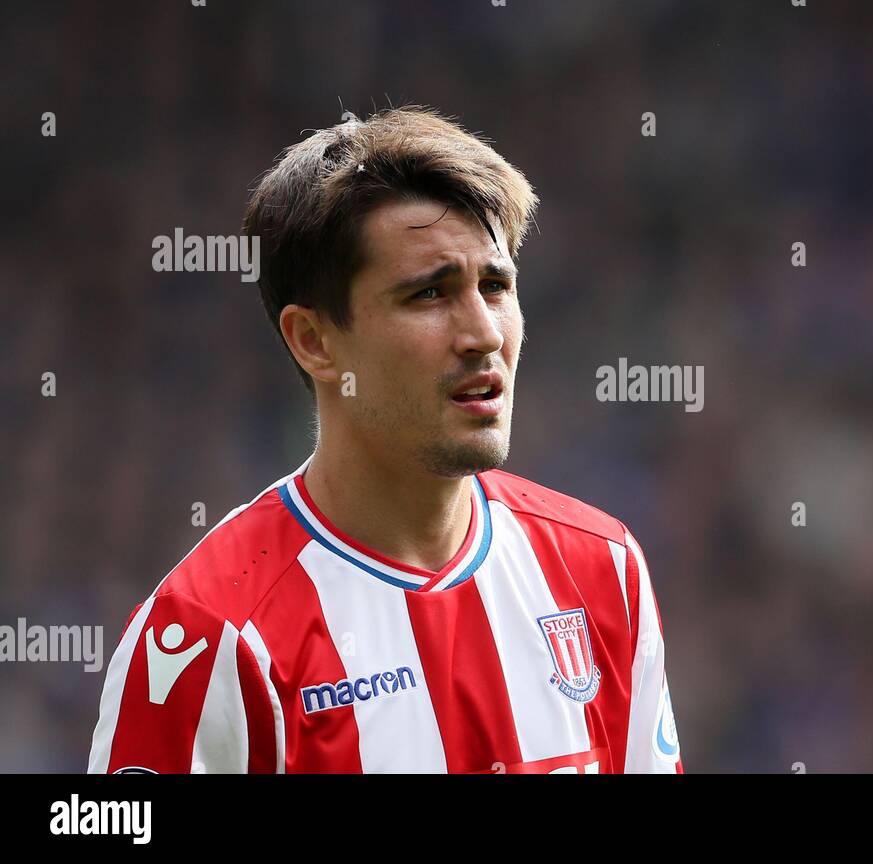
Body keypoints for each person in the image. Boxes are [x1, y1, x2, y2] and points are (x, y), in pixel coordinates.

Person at [88, 107, 682, 774]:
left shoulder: (602, 572)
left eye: (496, 285)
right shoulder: (206, 636)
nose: (483, 333)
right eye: (430, 294)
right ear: (314, 340)